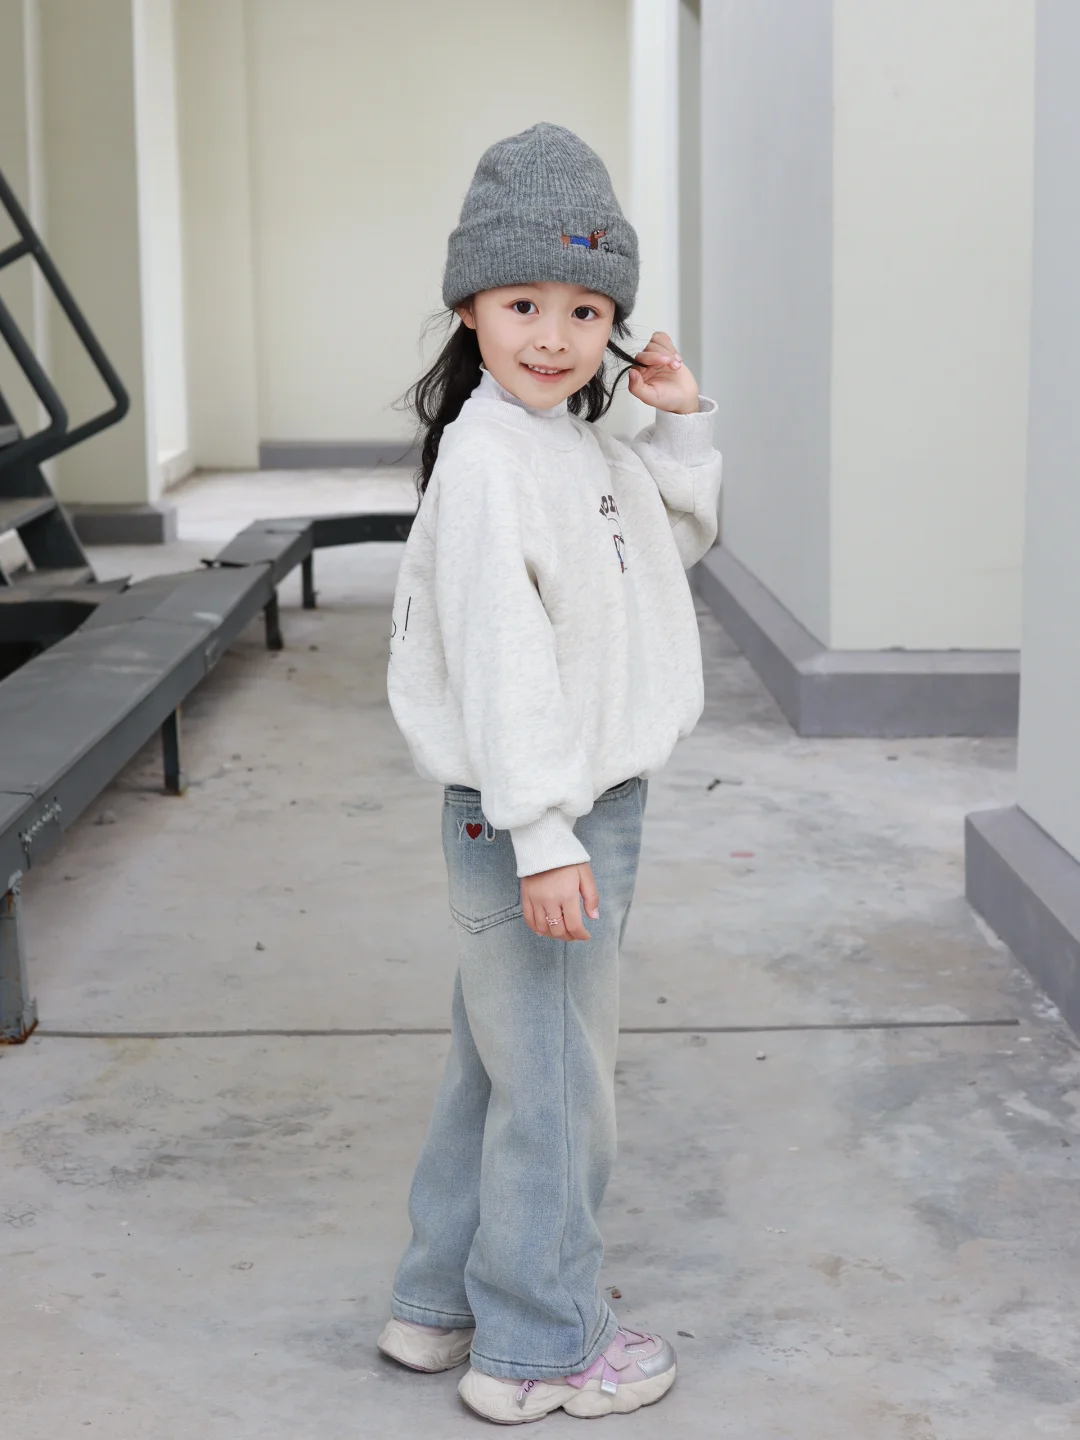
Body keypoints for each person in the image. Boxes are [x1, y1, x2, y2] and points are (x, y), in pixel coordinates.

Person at [378, 122, 722, 1425]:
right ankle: (538, 1349)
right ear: (470, 306)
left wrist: (677, 424)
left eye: (586, 309)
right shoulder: (492, 464)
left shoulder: (572, 444)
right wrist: (544, 833)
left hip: (558, 811)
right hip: (544, 816)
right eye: (523, 303)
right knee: (562, 1091)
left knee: (502, 1064)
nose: (555, 335)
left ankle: (435, 1304)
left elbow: (664, 550)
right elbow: (505, 664)